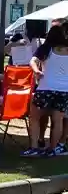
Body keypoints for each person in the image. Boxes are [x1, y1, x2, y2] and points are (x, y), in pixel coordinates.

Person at [23, 25, 68, 157]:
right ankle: (52, 149)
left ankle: (34, 147)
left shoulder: (46, 48)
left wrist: (36, 71)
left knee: (35, 117)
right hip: (64, 90)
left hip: (46, 87)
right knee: (58, 120)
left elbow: (33, 61)